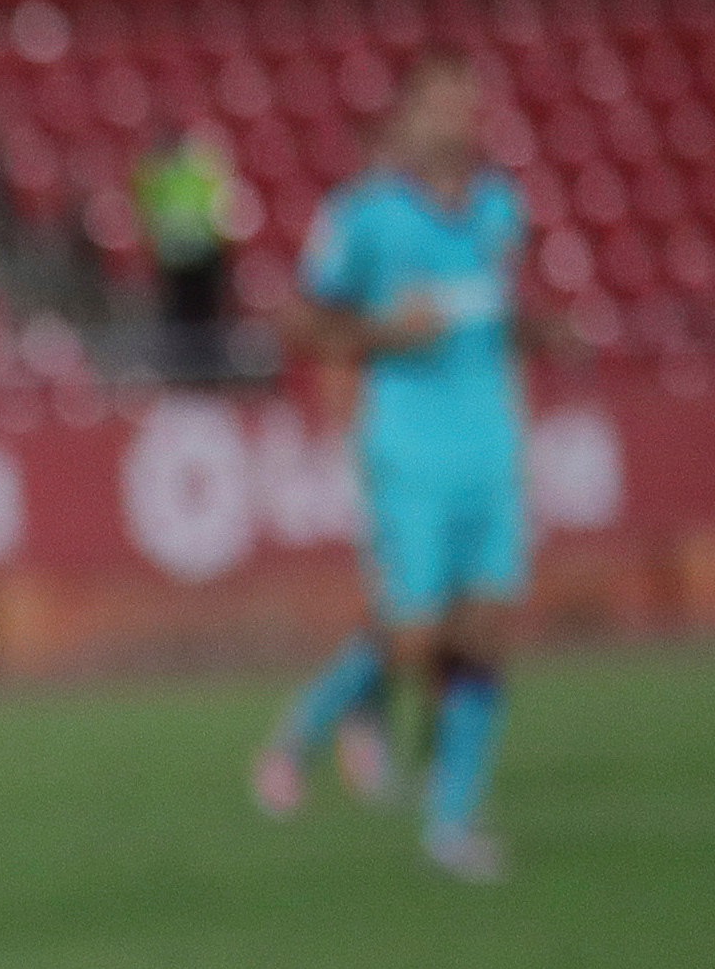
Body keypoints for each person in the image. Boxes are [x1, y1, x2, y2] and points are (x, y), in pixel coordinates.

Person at [253, 55, 561, 882]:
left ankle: (451, 822)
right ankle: (304, 733)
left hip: (490, 445)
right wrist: (387, 337)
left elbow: (496, 318)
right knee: (415, 633)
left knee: (485, 635)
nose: (454, 118)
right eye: (438, 103)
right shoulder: (365, 217)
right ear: (406, 117)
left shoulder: (502, 208)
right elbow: (299, 321)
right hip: (410, 445)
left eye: (465, 101)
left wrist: (543, 336)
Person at [135, 123, 248, 388]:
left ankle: (200, 373)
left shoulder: (186, 171)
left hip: (194, 254)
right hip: (184, 256)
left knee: (195, 317)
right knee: (186, 317)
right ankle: (189, 373)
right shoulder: (183, 171)